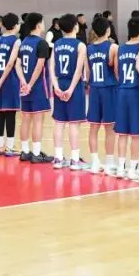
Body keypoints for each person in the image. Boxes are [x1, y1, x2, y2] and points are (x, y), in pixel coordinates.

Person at [50, 14, 88, 170]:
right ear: (76, 27)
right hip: (74, 85)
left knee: (59, 123)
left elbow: (51, 68)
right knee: (74, 124)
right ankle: (74, 160)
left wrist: (56, 87)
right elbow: (79, 70)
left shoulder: (56, 44)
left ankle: (58, 158)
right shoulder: (80, 45)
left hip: (60, 83)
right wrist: (71, 89)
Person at [113, 16, 139, 181]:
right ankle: (133, 169)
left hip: (122, 91)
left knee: (122, 133)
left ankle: (121, 168)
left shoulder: (120, 48)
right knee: (136, 134)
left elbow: (117, 71)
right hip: (137, 92)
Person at [17, 13, 52, 163]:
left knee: (25, 118)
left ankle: (25, 151)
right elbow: (39, 67)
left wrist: (24, 83)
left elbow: (17, 64)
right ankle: (36, 153)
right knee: (38, 120)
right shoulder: (41, 43)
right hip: (37, 87)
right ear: (38, 25)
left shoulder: (24, 41)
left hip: (25, 86)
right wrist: (30, 85)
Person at [86, 16, 118, 175]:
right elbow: (117, 71)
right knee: (110, 128)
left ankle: (94, 162)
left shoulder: (89, 48)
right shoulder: (113, 47)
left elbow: (87, 72)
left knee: (93, 127)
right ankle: (109, 163)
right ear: (108, 30)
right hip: (109, 89)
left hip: (94, 89)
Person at [0, 13, 21, 156]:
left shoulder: (0, 39)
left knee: (1, 112)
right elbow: (10, 63)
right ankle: (9, 147)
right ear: (15, 26)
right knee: (10, 113)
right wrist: (1, 80)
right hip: (9, 80)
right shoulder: (16, 41)